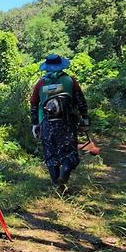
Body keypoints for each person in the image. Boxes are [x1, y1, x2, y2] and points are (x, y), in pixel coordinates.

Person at [30, 54, 90, 191]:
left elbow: (34, 104)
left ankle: (57, 183)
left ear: (46, 67)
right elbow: (80, 101)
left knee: (50, 153)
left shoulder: (40, 83)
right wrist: (85, 117)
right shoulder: (70, 80)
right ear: (61, 65)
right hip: (67, 122)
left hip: (46, 123)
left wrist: (35, 124)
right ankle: (64, 175)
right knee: (69, 151)